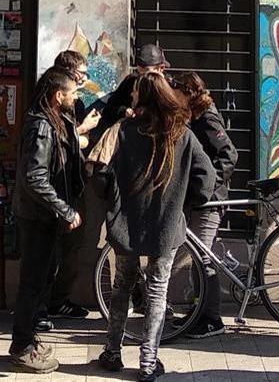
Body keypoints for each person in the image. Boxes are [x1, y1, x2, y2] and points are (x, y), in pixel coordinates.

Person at [91, 72, 216, 382]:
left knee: (122, 286)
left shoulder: (121, 132)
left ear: (140, 98)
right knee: (158, 291)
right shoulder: (182, 134)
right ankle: (148, 363)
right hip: (166, 224)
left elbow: (100, 176)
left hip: (127, 223)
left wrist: (112, 199)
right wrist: (185, 201)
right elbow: (207, 176)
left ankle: (112, 352)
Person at [9, 68, 85, 373]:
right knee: (32, 284)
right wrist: (64, 210)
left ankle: (28, 338)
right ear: (58, 96)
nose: (76, 97)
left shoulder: (54, 120)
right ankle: (21, 346)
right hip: (38, 217)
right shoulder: (42, 126)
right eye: (73, 93)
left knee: (40, 281)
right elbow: (35, 178)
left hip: (45, 216)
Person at [34, 51, 102, 329]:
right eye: (82, 74)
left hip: (72, 184)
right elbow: (55, 143)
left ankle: (58, 300)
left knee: (73, 247)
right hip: (52, 191)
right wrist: (82, 130)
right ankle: (38, 310)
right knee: (46, 255)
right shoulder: (46, 107)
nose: (85, 80)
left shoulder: (76, 101)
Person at [169, 72, 237, 339]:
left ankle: (212, 319)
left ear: (188, 93)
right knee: (198, 256)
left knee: (203, 257)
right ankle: (199, 312)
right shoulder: (194, 115)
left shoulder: (207, 116)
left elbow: (229, 154)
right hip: (198, 198)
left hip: (210, 201)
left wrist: (209, 184)